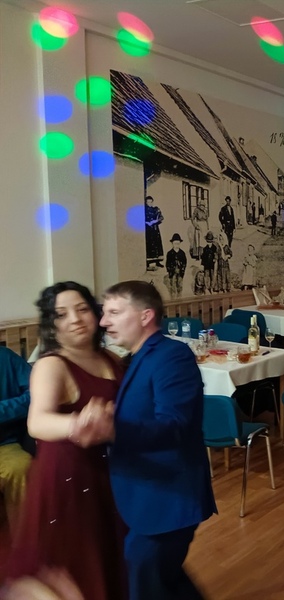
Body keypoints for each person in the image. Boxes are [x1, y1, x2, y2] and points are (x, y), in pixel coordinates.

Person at [97, 280, 216, 599]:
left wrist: (113, 429)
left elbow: (174, 425)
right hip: (149, 496)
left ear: (146, 315)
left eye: (114, 312)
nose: (104, 321)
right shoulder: (139, 356)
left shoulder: (171, 356)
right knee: (165, 582)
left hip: (168, 498)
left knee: (146, 580)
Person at [8, 282, 127, 600]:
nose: (75, 319)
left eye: (82, 309)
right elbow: (37, 422)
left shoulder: (109, 358)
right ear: (52, 325)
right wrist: (79, 424)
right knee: (77, 568)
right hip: (69, 478)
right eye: (61, 314)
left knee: (111, 558)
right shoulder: (52, 365)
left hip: (109, 474)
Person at [0, 346, 32, 534]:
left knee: (22, 467)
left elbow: (37, 394)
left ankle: (24, 539)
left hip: (4, 445)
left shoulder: (5, 357)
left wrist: (3, 410)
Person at [144, 196, 164, 271]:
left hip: (155, 229)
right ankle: (147, 263)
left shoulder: (156, 209)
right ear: (146, 203)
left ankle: (157, 262)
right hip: (147, 230)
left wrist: (154, 221)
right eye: (148, 202)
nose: (149, 203)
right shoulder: (144, 210)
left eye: (150, 202)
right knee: (149, 245)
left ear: (152, 202)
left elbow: (161, 217)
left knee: (156, 244)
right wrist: (146, 222)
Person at [165, 233, 187, 299]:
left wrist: (182, 269)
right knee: (173, 285)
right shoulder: (169, 253)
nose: (177, 245)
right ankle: (173, 297)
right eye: (175, 243)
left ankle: (179, 297)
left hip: (180, 272)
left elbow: (184, 262)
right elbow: (167, 263)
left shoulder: (182, 253)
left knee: (180, 285)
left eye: (178, 243)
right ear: (172, 244)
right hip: (173, 272)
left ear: (180, 244)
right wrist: (170, 270)